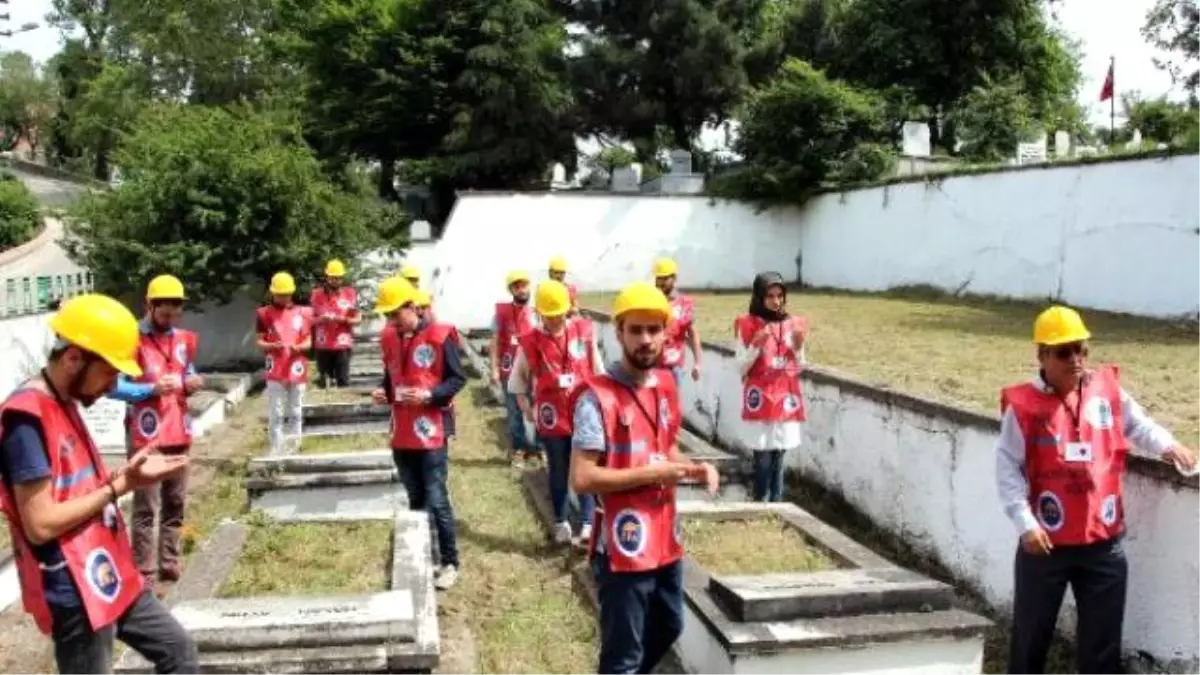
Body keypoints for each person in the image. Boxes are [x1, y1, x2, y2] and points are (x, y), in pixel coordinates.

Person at [0, 293, 197, 673]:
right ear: (74, 358)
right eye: (108, 373)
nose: (111, 387)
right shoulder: (26, 420)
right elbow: (40, 525)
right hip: (75, 586)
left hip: (110, 566)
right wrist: (118, 488)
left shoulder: (65, 401)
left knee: (179, 650)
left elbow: (74, 487)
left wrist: (129, 476)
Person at [996, 305, 1196, 675]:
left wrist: (1169, 446)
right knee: (1030, 641)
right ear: (1041, 354)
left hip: (1103, 544)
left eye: (1081, 349)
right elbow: (1007, 467)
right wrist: (1025, 523)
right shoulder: (1023, 407)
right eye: (1063, 351)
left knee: (1102, 648)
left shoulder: (1106, 391)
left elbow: (1139, 426)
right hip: (1046, 546)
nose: (1076, 359)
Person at [570, 281, 720, 675]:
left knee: (671, 624)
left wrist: (693, 467)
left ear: (667, 333)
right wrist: (650, 475)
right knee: (624, 654)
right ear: (618, 332)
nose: (646, 340)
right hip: (623, 544)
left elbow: (664, 446)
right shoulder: (596, 398)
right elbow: (582, 478)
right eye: (635, 330)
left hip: (665, 536)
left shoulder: (667, 385)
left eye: (654, 330)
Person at [372, 277, 468, 590]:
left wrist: (428, 396)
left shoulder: (441, 336)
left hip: (430, 431)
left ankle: (450, 561)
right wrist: (382, 392)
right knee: (414, 497)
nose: (391, 321)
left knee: (437, 497)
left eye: (395, 314)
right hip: (401, 432)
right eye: (387, 316)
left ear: (412, 306)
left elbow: (457, 380)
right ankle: (424, 552)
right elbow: (390, 376)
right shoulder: (389, 337)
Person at [106, 275, 203, 585]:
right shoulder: (129, 338)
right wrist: (149, 390)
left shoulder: (185, 339)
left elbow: (188, 372)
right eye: (164, 314)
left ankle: (170, 562)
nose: (169, 319)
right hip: (145, 435)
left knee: (176, 502)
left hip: (179, 431)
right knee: (146, 506)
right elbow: (111, 385)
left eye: (175, 313)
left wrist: (192, 383)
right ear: (148, 305)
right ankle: (144, 572)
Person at [508, 281, 604, 542]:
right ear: (539, 313)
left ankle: (587, 522)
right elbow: (518, 379)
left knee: (584, 467)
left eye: (558, 314)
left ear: (568, 309)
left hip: (583, 410)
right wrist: (525, 405)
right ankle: (561, 521)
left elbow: (598, 370)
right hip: (552, 415)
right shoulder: (531, 342)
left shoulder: (583, 333)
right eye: (548, 315)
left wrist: (605, 404)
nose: (553, 320)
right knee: (558, 468)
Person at [733, 272, 807, 502]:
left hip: (785, 397)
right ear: (759, 297)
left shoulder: (792, 324)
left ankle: (776, 502)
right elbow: (740, 367)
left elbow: (801, 365)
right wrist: (755, 345)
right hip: (761, 398)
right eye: (770, 296)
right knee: (763, 455)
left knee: (780, 454)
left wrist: (798, 346)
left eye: (780, 296)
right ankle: (760, 499)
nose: (776, 301)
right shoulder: (747, 324)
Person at [255, 272, 313, 455]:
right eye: (279, 294)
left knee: (296, 408)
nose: (283, 297)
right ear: (272, 293)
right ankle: (276, 447)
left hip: (296, 366)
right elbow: (259, 341)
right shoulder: (263, 314)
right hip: (275, 367)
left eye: (286, 293)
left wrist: (300, 347)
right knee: (276, 410)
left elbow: (309, 341)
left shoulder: (304, 313)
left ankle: (295, 445)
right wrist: (271, 345)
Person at [489, 271, 538, 466]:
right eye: (517, 286)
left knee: (538, 409)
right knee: (514, 411)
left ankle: (538, 449)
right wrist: (494, 368)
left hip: (534, 370)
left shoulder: (537, 313)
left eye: (524, 285)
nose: (521, 289)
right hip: (509, 369)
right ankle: (519, 448)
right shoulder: (501, 314)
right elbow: (494, 343)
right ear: (511, 290)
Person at [311, 259, 361, 389]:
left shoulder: (350, 294)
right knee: (324, 383)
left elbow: (358, 319)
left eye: (338, 278)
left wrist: (343, 320)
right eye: (332, 277)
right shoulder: (316, 295)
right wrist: (322, 319)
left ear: (342, 278)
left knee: (343, 382)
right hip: (323, 345)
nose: (335, 280)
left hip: (343, 345)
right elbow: (309, 320)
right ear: (327, 277)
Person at [652, 258, 701, 386]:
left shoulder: (684, 304)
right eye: (658, 278)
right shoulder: (650, 302)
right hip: (650, 366)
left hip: (673, 368)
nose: (660, 282)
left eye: (665, 278)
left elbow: (692, 335)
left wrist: (697, 363)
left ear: (674, 278)